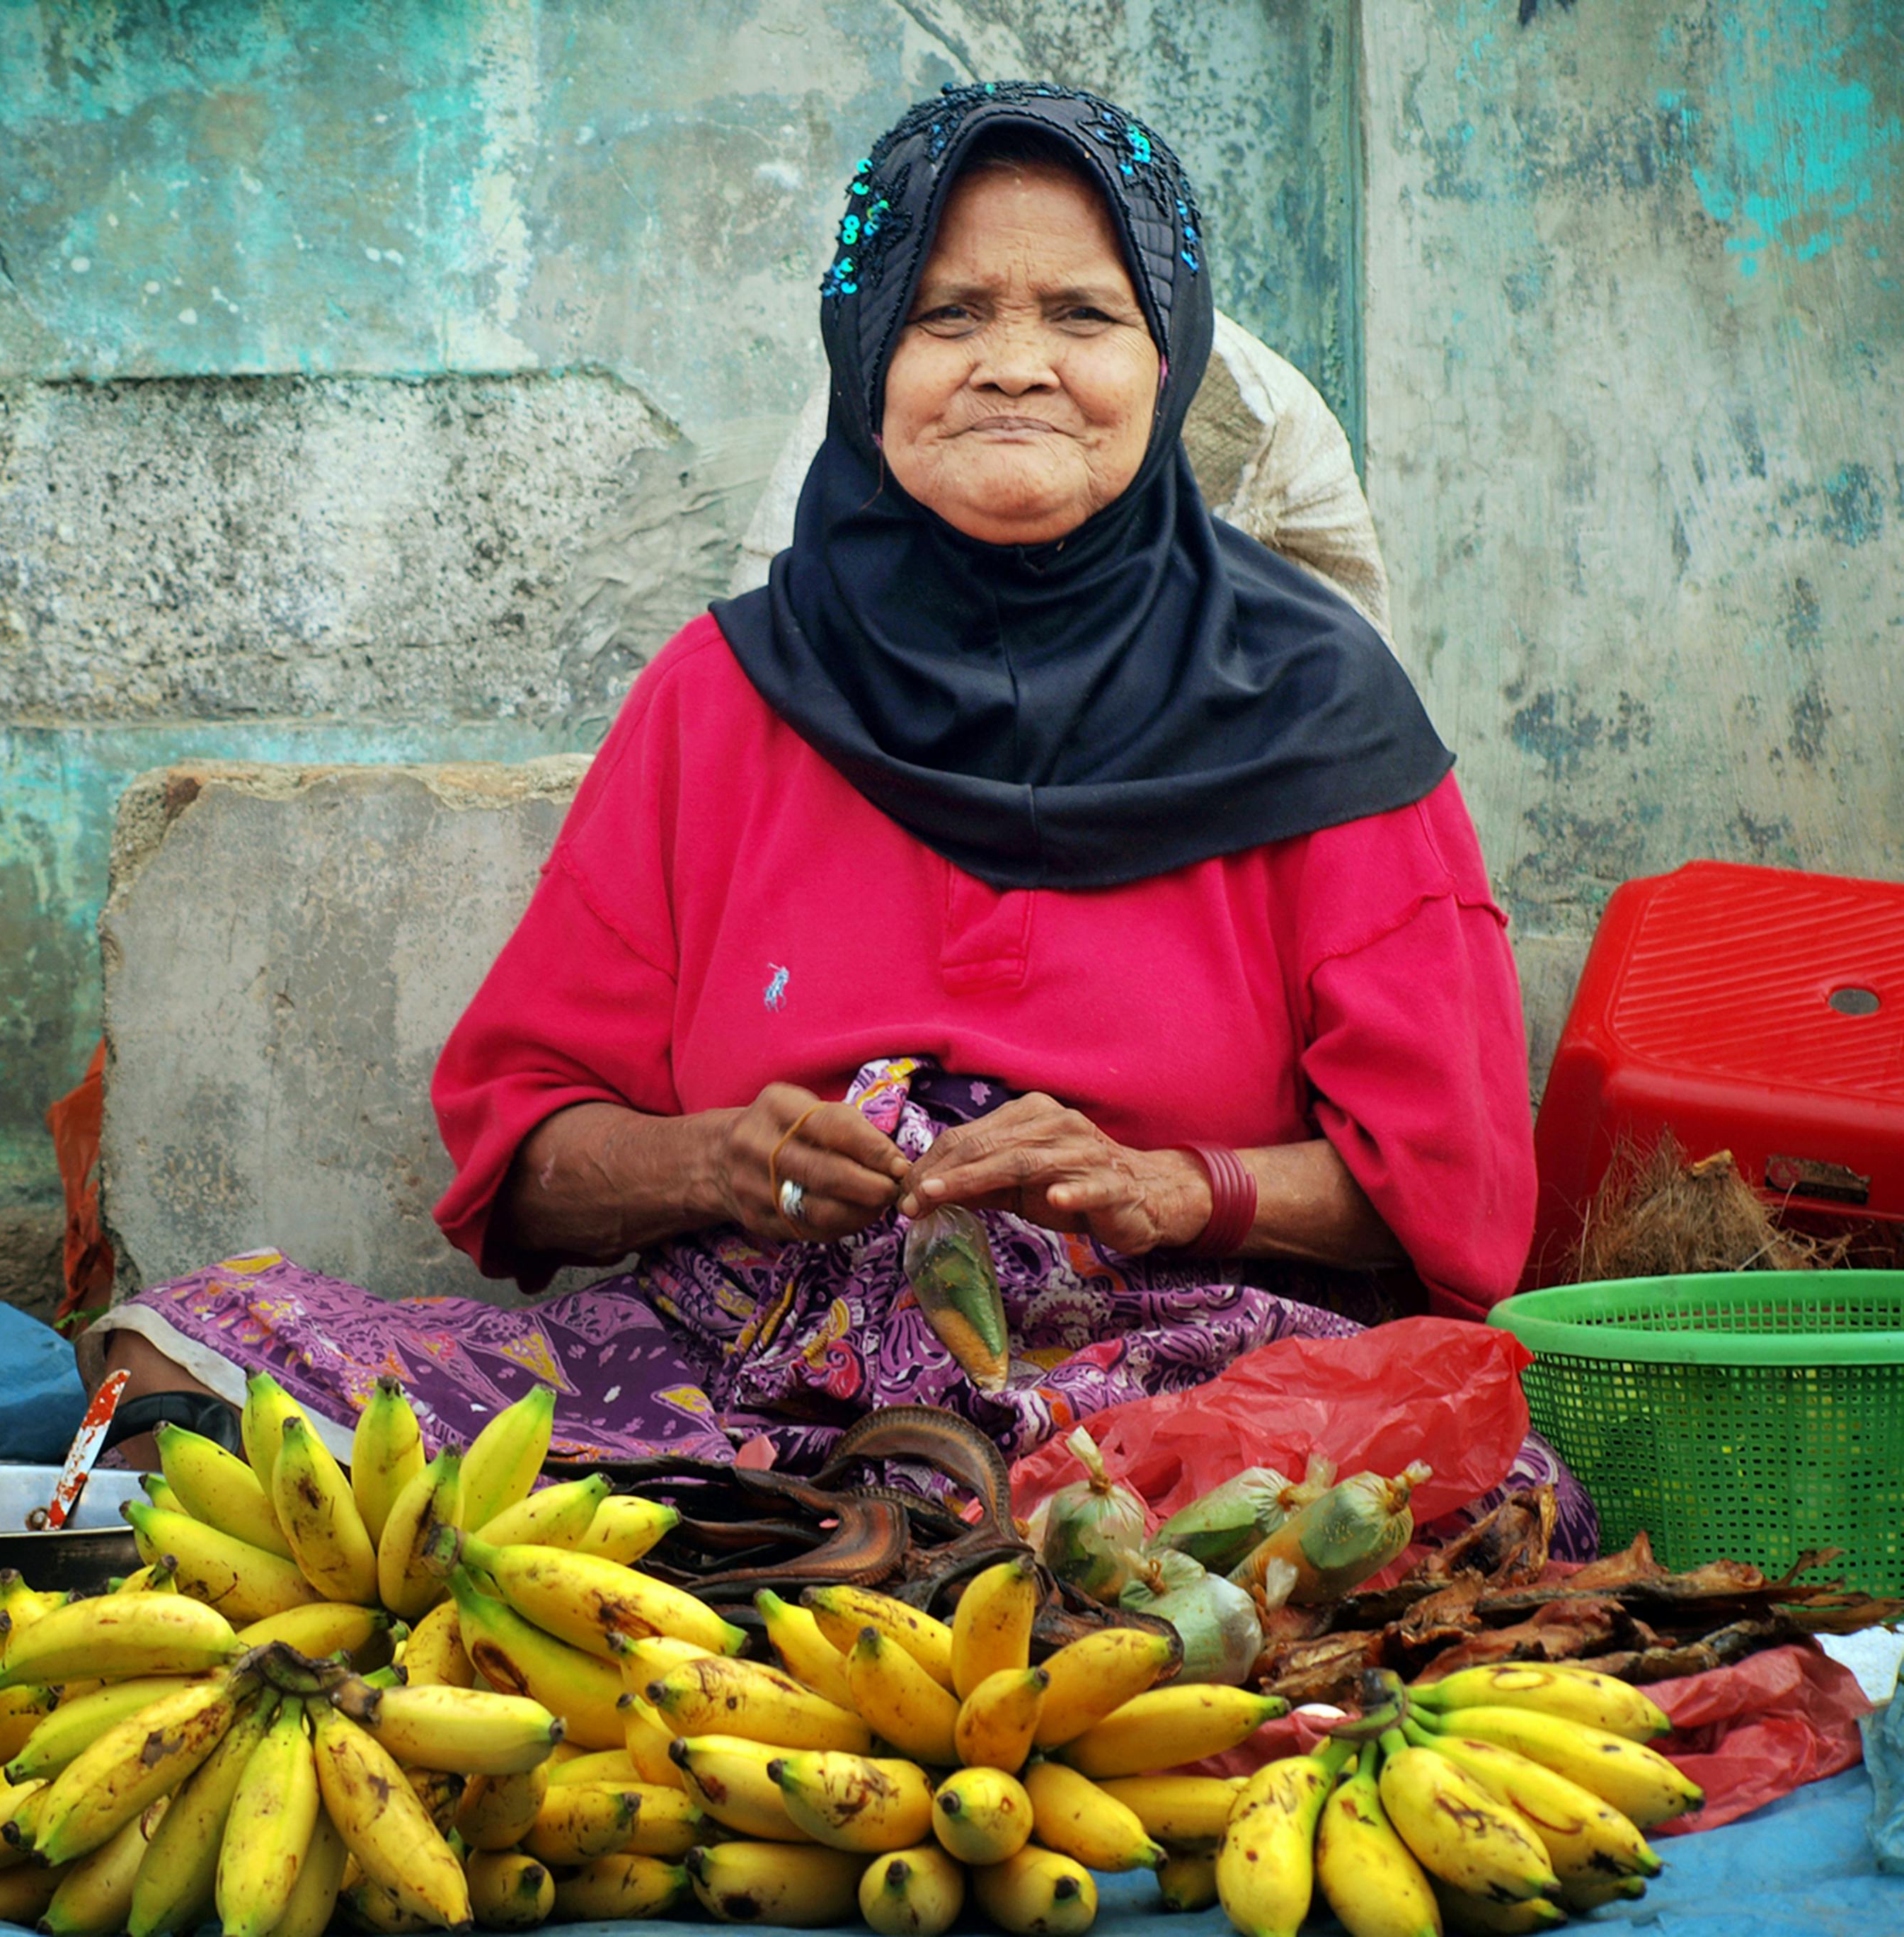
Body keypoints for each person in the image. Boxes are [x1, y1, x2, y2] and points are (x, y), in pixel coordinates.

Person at [91, 82, 1590, 1550]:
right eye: (950, 316)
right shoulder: (726, 692)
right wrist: (712, 1166)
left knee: (1468, 1495)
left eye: (1081, 314)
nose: (1015, 365)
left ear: (1168, 358)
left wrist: (1166, 1187)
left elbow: (1451, 1192)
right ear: (868, 353)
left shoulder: (1318, 703)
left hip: (1164, 1384)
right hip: (738, 1373)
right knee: (184, 1362)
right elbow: (527, 1151)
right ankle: (820, 1570)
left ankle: (867, 1583)